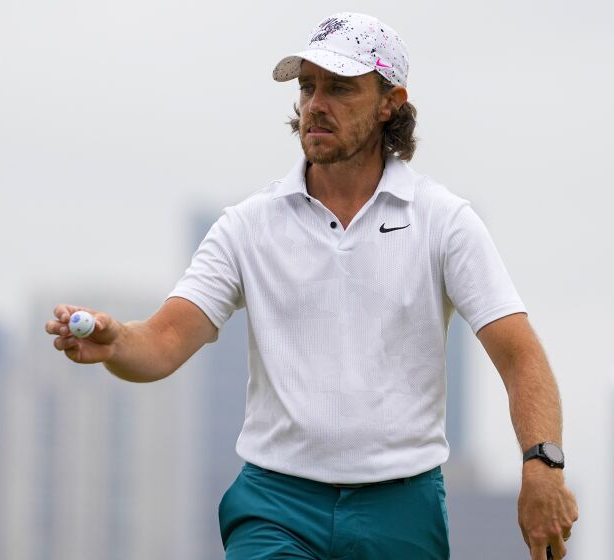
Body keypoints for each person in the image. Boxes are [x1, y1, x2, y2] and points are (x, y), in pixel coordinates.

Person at [45, 12, 578, 560]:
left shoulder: (445, 222)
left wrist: (542, 465)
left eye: (339, 88)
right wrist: (117, 343)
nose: (315, 104)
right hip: (275, 505)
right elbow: (162, 341)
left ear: (390, 102)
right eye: (307, 86)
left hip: (402, 507)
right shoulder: (246, 225)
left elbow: (521, 358)